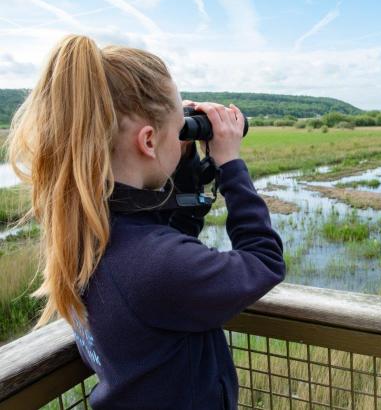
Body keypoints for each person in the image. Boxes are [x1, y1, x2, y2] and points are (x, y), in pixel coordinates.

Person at [7, 34, 286, 409]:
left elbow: (165, 236)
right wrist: (230, 164)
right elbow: (264, 260)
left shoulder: (87, 233)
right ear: (149, 141)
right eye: (178, 129)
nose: (182, 136)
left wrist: (185, 164)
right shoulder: (153, 264)